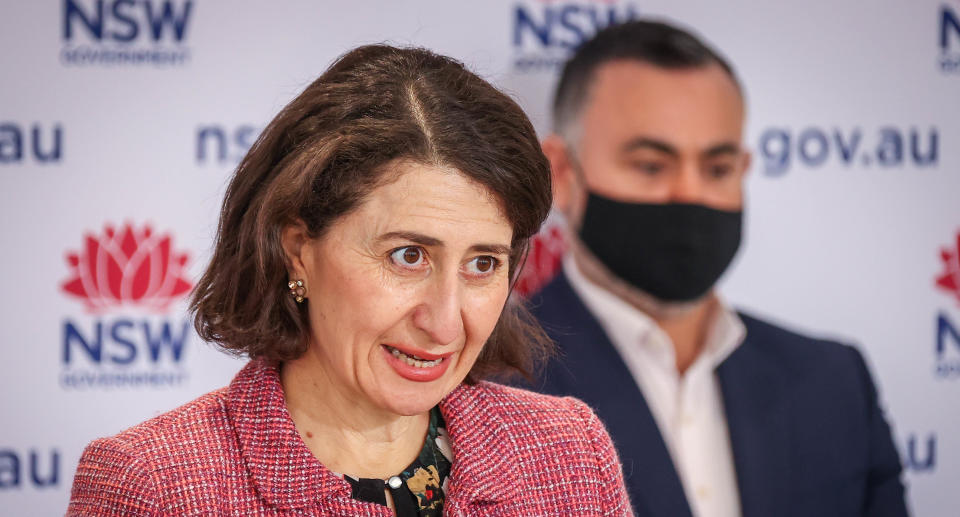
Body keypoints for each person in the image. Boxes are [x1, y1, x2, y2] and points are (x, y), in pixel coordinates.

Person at [67, 45, 633, 516]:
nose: (443, 321)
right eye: (408, 256)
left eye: (482, 264)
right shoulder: (154, 484)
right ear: (298, 251)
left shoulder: (568, 453)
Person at [524, 20, 909, 517]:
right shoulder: (487, 380)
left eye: (717, 168)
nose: (689, 194)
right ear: (562, 172)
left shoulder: (833, 383)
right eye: (650, 165)